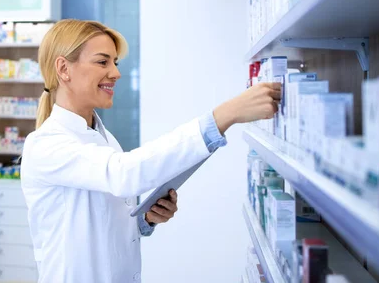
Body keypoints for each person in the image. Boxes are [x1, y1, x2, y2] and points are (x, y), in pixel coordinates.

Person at [20, 19, 281, 283]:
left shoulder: (102, 136)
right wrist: (227, 114)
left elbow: (102, 224)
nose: (115, 73)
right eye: (103, 62)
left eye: (115, 63)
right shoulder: (45, 144)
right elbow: (123, 173)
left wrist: (144, 219)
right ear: (64, 69)